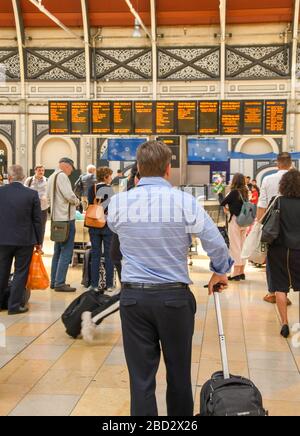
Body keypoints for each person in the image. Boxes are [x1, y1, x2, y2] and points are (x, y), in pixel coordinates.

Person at [108, 140, 233, 417]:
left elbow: (114, 228)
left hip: (134, 299)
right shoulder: (184, 201)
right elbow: (216, 242)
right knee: (178, 373)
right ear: (168, 169)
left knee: (140, 379)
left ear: (138, 169)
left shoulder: (117, 203)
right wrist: (219, 270)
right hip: (174, 299)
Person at [0, 165, 42, 314]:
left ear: (9, 178)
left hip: (2, 239)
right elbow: (37, 220)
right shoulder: (31, 194)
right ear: (24, 178)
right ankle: (14, 306)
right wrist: (39, 242)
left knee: (2, 270)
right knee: (20, 272)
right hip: (25, 239)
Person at [267, 170, 300, 338]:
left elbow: (266, 223)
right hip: (298, 251)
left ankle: (285, 324)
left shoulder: (277, 201)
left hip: (278, 250)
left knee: (280, 287)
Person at [257, 152, 293, 305]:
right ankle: (286, 290)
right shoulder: (296, 179)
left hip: (273, 226)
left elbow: (262, 205)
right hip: (293, 224)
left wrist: (260, 227)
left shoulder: (268, 179)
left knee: (273, 260)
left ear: (277, 164)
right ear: (290, 164)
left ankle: (274, 292)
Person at [47, 158, 79, 293]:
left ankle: (54, 281)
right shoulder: (63, 176)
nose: (71, 171)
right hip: (66, 219)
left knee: (57, 251)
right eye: (71, 168)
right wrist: (77, 201)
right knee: (66, 251)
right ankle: (60, 283)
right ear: (66, 166)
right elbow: (69, 196)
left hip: (55, 218)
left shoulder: (51, 177)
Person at [87, 166, 115, 293]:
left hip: (93, 224)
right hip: (106, 225)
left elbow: (89, 203)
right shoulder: (109, 189)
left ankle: (94, 285)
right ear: (105, 177)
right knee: (109, 255)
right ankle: (109, 284)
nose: (111, 178)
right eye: (110, 176)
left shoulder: (91, 188)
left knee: (95, 255)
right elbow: (111, 207)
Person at [221, 173, 248, 281]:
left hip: (235, 221)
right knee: (242, 246)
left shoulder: (233, 192)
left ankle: (236, 273)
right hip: (245, 221)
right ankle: (242, 271)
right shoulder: (245, 191)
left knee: (235, 246)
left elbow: (223, 202)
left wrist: (228, 210)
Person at [24, 165, 48, 246]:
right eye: (39, 170)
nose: (41, 172)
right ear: (35, 171)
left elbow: (50, 193)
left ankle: (40, 246)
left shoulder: (47, 180)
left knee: (41, 228)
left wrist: (46, 198)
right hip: (31, 208)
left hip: (43, 208)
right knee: (30, 226)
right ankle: (30, 245)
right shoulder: (29, 180)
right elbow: (24, 191)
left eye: (42, 170)